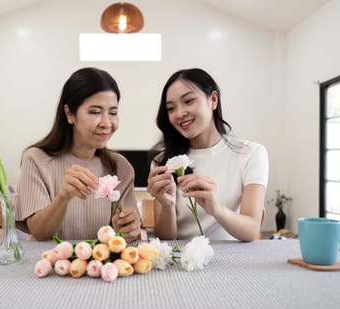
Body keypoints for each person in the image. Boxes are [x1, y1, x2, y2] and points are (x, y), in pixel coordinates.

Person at [16, 67, 141, 242]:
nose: (106, 123)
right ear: (70, 114)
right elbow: (39, 232)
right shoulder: (37, 160)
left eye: (113, 112)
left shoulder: (121, 167)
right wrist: (63, 197)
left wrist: (128, 229)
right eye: (95, 112)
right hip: (50, 264)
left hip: (101, 266)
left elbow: (125, 237)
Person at [147, 68, 268, 241]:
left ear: (213, 100)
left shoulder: (251, 154)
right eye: (171, 108)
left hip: (233, 263)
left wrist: (215, 208)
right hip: (182, 263)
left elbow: (251, 231)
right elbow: (165, 238)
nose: (180, 113)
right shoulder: (163, 162)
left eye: (188, 101)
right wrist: (168, 206)